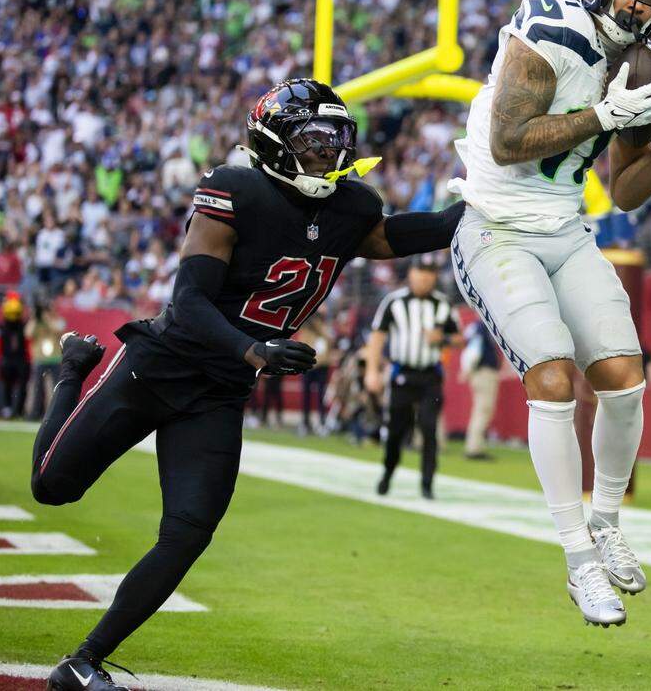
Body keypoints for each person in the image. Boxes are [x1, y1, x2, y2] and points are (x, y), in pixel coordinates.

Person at [29, 79, 465, 691]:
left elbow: (414, 232)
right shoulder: (235, 189)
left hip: (219, 390)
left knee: (187, 532)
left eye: (336, 140)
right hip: (162, 366)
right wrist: (253, 349)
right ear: (275, 141)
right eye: (312, 141)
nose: (328, 154)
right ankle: (73, 371)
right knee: (52, 487)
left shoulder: (351, 208)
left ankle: (83, 661)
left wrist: (495, 194)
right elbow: (187, 301)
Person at [447, 0, 651, 627]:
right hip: (495, 228)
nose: (638, 2)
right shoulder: (548, 22)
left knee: (623, 376)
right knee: (551, 372)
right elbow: (511, 139)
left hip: (566, 230)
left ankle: (608, 521)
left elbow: (625, 191)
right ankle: (579, 560)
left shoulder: (645, 67)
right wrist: (601, 112)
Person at [365, 252, 461, 499]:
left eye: (430, 274)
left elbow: (460, 338)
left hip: (430, 376)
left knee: (429, 429)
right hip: (402, 374)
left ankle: (427, 484)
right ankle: (388, 471)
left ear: (435, 277)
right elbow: (377, 338)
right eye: (420, 273)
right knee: (396, 430)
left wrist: (444, 338)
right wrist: (372, 371)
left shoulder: (443, 304)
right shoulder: (394, 301)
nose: (424, 279)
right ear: (411, 274)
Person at [460, 318, 501, 460]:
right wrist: (468, 368)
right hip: (484, 371)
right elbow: (474, 350)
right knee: (483, 410)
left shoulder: (474, 326)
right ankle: (474, 448)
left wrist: (467, 369)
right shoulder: (482, 327)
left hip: (478, 371)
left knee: (481, 410)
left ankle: (474, 445)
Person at [0, 295, 31, 419]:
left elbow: (29, 341)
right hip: (8, 359)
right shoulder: (1, 327)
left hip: (21, 359)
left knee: (22, 385)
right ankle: (8, 407)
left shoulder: (24, 325)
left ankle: (19, 410)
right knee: (8, 384)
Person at [25, 300, 68, 421]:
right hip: (39, 359)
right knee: (36, 388)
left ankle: (53, 414)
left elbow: (59, 330)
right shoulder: (37, 323)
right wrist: (35, 318)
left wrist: (47, 318)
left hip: (54, 359)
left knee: (55, 388)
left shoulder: (58, 320)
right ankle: (33, 414)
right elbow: (28, 334)